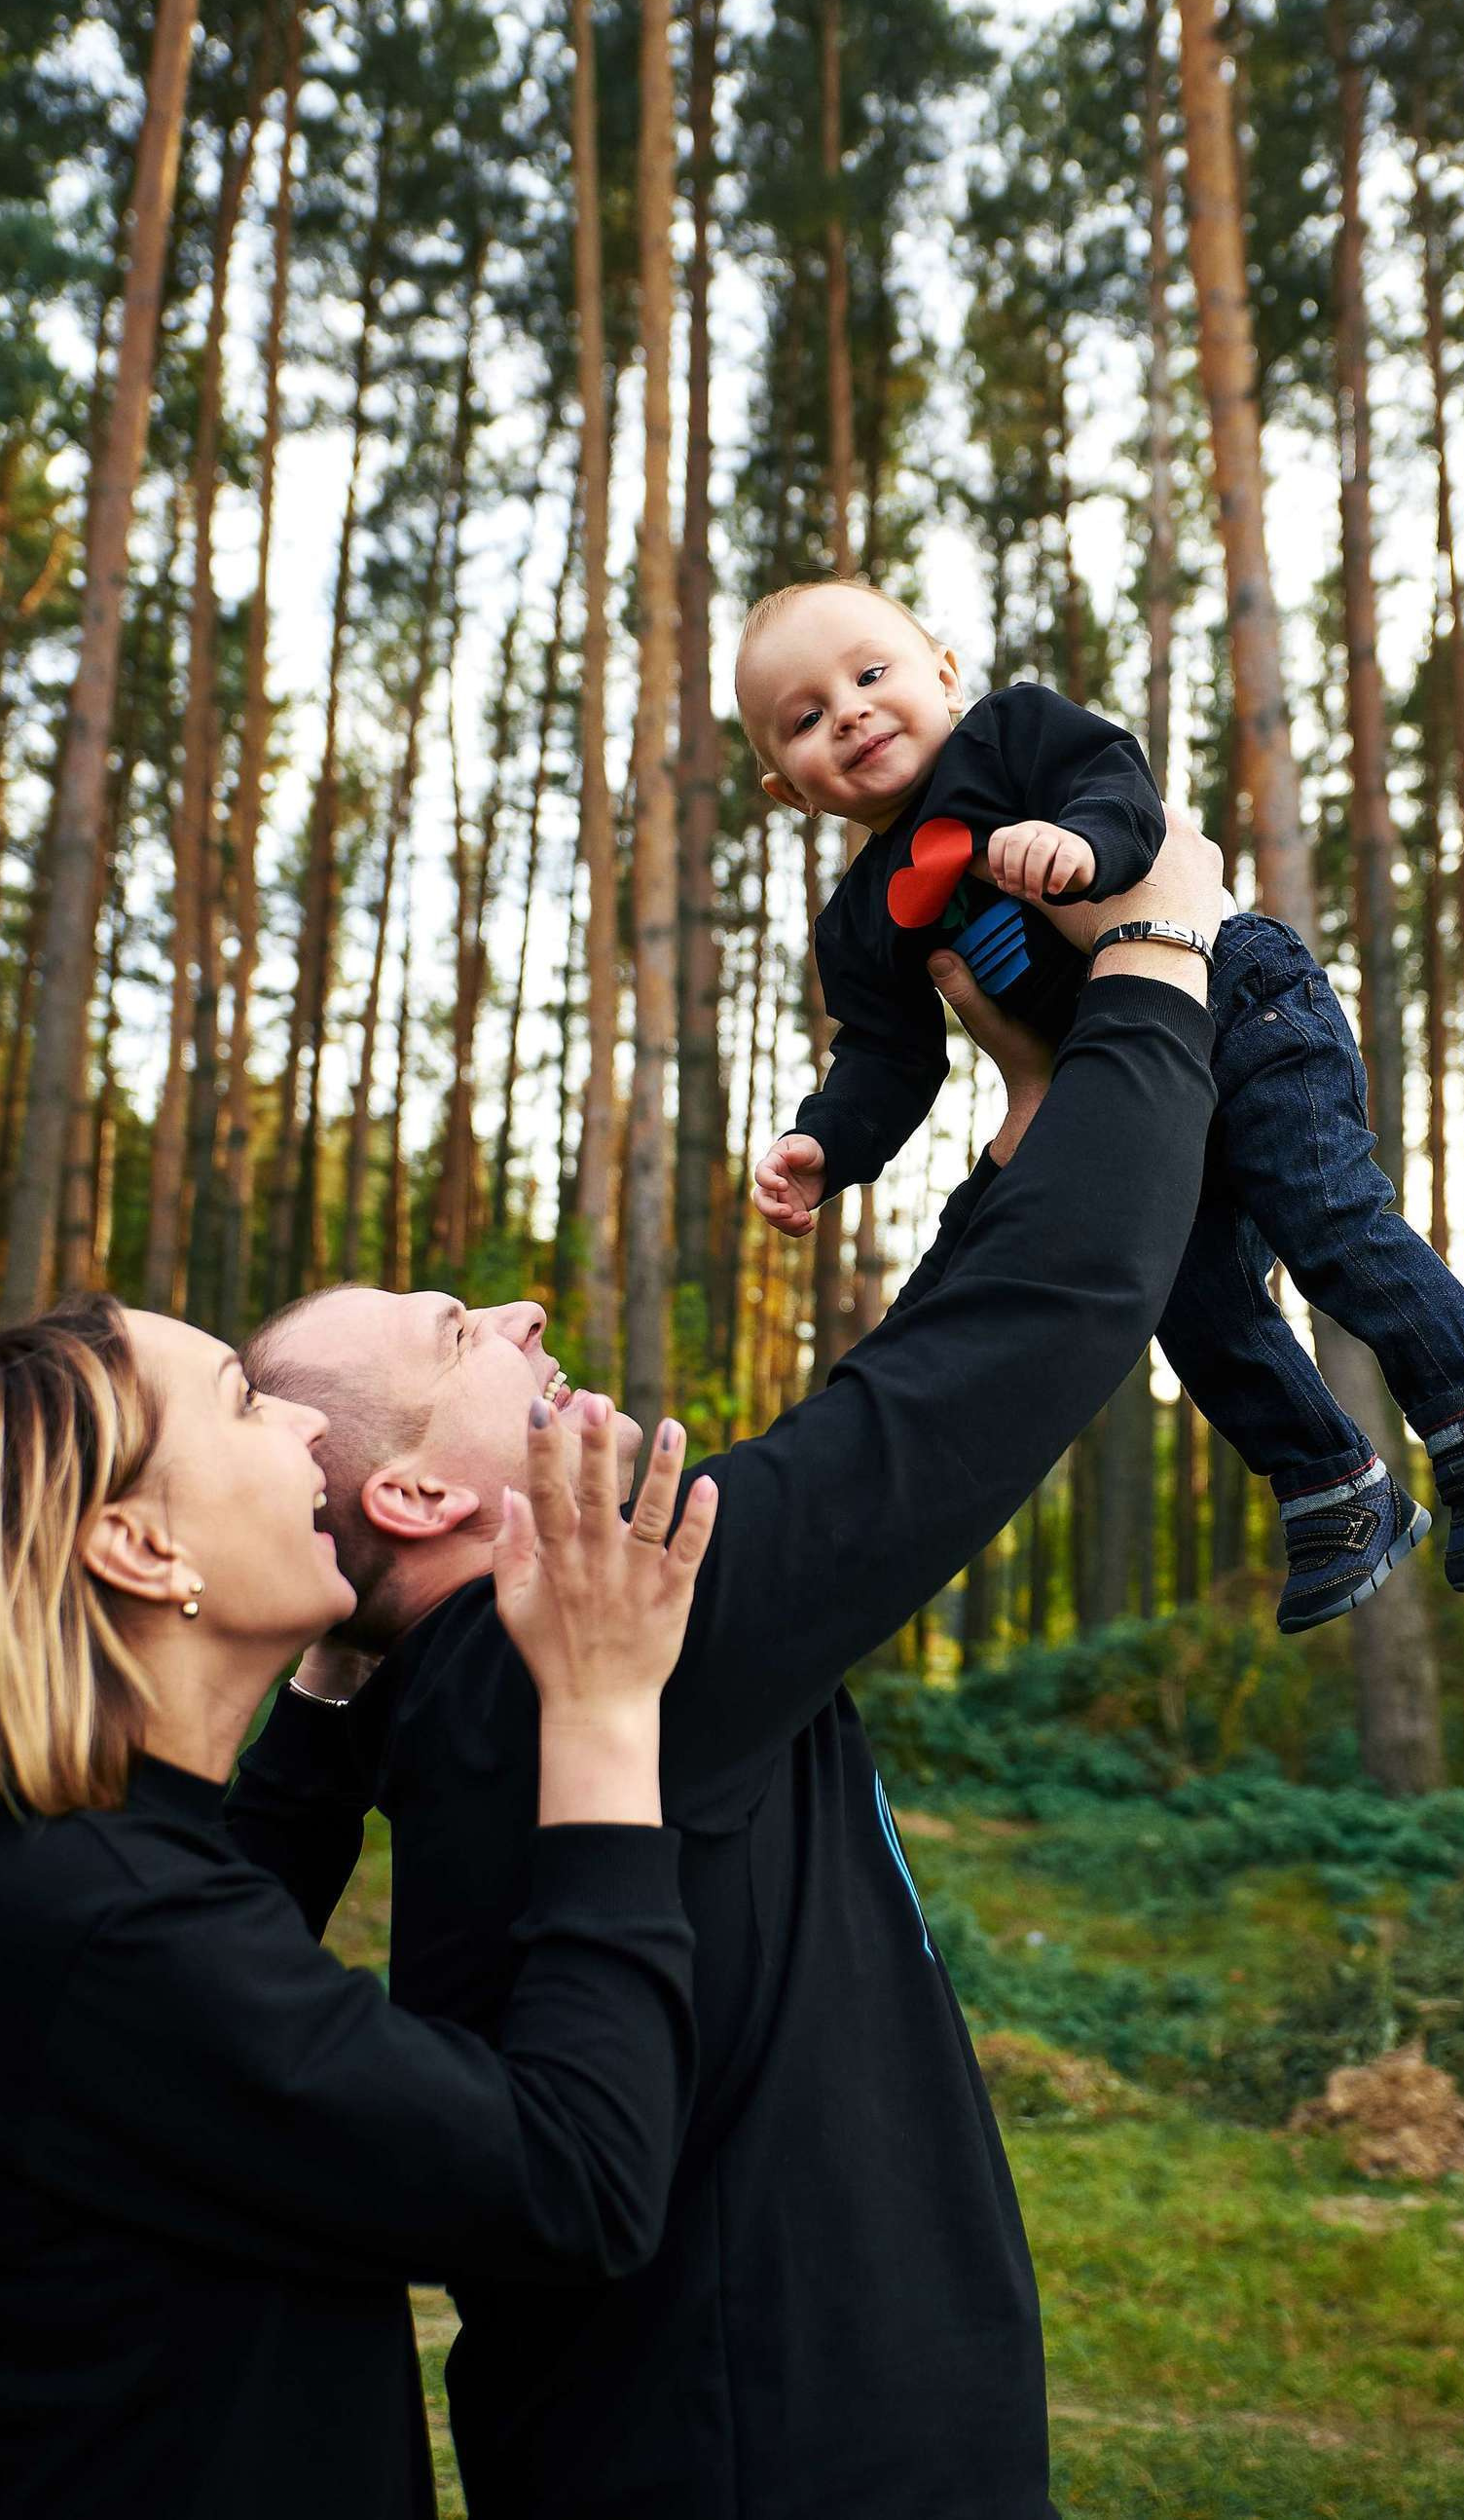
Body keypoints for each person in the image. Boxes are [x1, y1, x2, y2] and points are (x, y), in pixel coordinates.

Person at [228, 817, 1228, 2520]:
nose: (524, 1316)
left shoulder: (479, 1674)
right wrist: (1158, 969)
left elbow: (891, 1392)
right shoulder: (591, 1650)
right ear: (414, 1496)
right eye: (456, 1332)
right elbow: (1023, 1338)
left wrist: (1022, 1129)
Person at [0, 1293, 715, 2520]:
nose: (303, 1427)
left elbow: (235, 1919)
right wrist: (602, 1710)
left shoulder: (67, 1871)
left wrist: (332, 1667)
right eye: (244, 1403)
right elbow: (575, 2177)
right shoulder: (99, 1926)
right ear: (140, 1549)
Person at [740, 576, 1464, 1632]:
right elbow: (884, 1059)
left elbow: (1117, 784)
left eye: (870, 674)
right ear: (792, 789)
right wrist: (826, 1143)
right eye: (808, 718)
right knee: (1181, 1293)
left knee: (1318, 1207)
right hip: (1131, 1090)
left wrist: (1085, 848)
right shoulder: (856, 925)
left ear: (942, 675)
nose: (851, 712)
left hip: (1236, 1000)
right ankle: (1332, 1487)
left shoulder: (1006, 734)